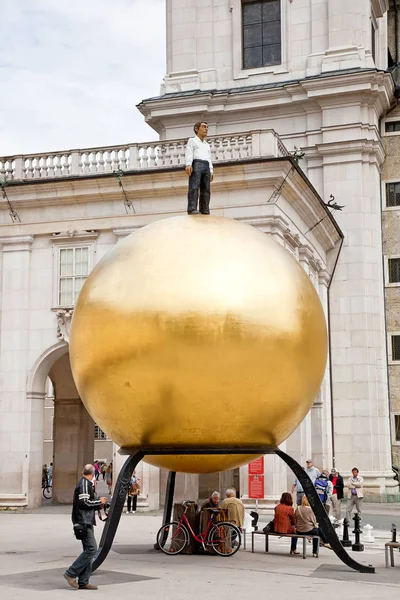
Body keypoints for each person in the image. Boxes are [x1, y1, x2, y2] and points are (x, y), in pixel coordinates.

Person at [63, 464, 107, 590]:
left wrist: (99, 503)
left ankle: (83, 581)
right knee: (92, 549)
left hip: (85, 520)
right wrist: (100, 502)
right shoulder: (84, 484)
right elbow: (84, 502)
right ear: (93, 474)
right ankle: (71, 573)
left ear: (83, 472)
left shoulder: (85, 483)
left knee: (88, 549)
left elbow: (86, 501)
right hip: (83, 521)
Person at [185, 121, 213, 215]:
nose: (206, 129)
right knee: (194, 186)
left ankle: (204, 208)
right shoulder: (192, 140)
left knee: (206, 189)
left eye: (207, 127)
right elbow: (189, 152)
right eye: (204, 126)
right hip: (196, 163)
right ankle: (192, 208)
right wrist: (188, 164)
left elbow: (209, 158)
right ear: (197, 129)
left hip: (206, 165)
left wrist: (211, 170)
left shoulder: (206, 144)